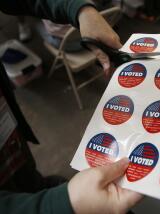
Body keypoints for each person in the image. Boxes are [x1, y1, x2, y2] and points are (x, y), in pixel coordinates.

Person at [0, 0, 142, 213]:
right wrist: (57, 205)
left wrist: (79, 10)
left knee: (25, 175)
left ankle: (34, 186)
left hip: (10, 144)